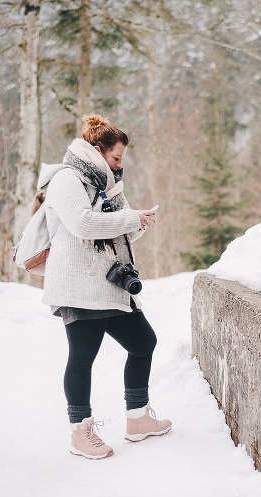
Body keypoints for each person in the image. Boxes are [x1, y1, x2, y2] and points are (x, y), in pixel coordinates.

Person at [38, 114, 171, 460]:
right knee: (83, 356)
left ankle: (138, 419)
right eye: (116, 157)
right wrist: (128, 217)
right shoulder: (66, 178)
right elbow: (82, 224)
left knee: (143, 343)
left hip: (109, 284)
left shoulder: (108, 184)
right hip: (79, 285)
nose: (120, 164)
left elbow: (116, 230)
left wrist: (138, 223)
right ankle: (80, 433)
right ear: (97, 150)